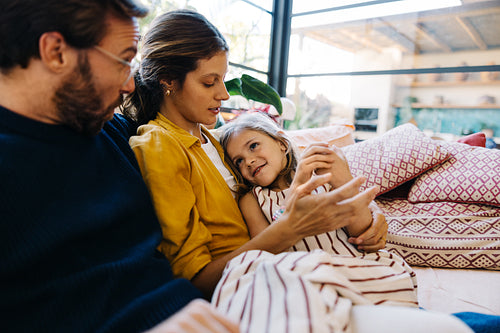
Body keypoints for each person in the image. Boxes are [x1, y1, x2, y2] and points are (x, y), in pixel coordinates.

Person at [0, 1, 237, 332]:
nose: (130, 85)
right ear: (56, 52)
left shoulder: (114, 130)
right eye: (124, 60)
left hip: (201, 312)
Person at [124, 9, 388, 300]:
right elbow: (193, 279)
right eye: (209, 82)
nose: (224, 94)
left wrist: (370, 214)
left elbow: (280, 177)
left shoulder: (216, 139)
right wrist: (290, 229)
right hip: (247, 285)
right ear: (168, 80)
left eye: (223, 80)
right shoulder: (160, 144)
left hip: (281, 265)